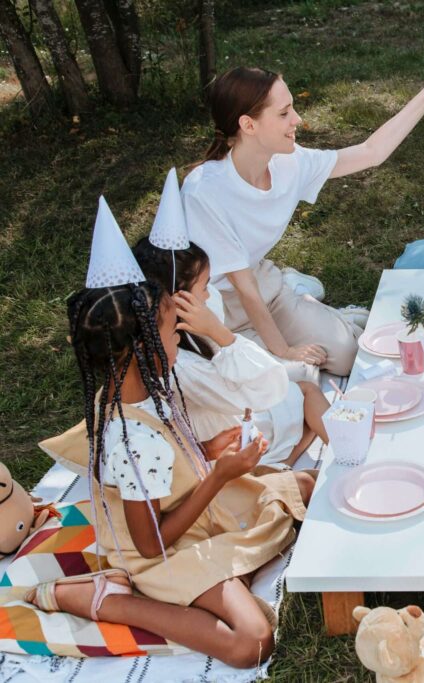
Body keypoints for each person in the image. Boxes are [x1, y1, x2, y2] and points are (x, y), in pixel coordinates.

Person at [33, 199, 314, 668]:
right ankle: (114, 599)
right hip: (161, 553)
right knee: (252, 642)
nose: (178, 338)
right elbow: (151, 544)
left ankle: (217, 579)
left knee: (303, 486)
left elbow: (166, 467)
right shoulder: (132, 436)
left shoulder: (145, 388)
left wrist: (206, 450)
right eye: (170, 331)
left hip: (190, 511)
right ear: (142, 345)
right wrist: (219, 476)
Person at [183, 38, 424, 378]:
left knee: (345, 356)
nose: (297, 119)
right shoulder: (204, 190)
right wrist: (283, 351)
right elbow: (242, 287)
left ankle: (303, 297)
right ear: (248, 125)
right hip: (219, 310)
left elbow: (372, 151)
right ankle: (304, 301)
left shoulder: (289, 163)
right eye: (284, 113)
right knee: (286, 379)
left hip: (263, 286)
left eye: (292, 107)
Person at [133, 235, 330, 467]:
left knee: (302, 397)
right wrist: (221, 333)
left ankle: (285, 459)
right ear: (181, 299)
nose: (208, 294)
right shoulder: (181, 365)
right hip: (225, 435)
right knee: (306, 391)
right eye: (204, 287)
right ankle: (295, 461)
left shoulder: (165, 330)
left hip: (226, 415)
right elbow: (267, 387)